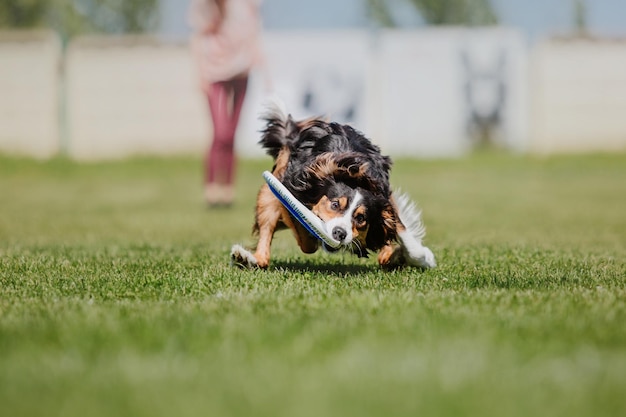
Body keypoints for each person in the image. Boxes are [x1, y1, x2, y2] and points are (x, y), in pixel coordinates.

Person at [188, 0, 264, 207]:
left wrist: (263, 68)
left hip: (242, 69)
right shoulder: (205, 5)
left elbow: (254, 31)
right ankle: (212, 187)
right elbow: (199, 37)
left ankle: (227, 189)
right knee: (220, 132)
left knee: (231, 133)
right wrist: (200, 73)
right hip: (214, 72)